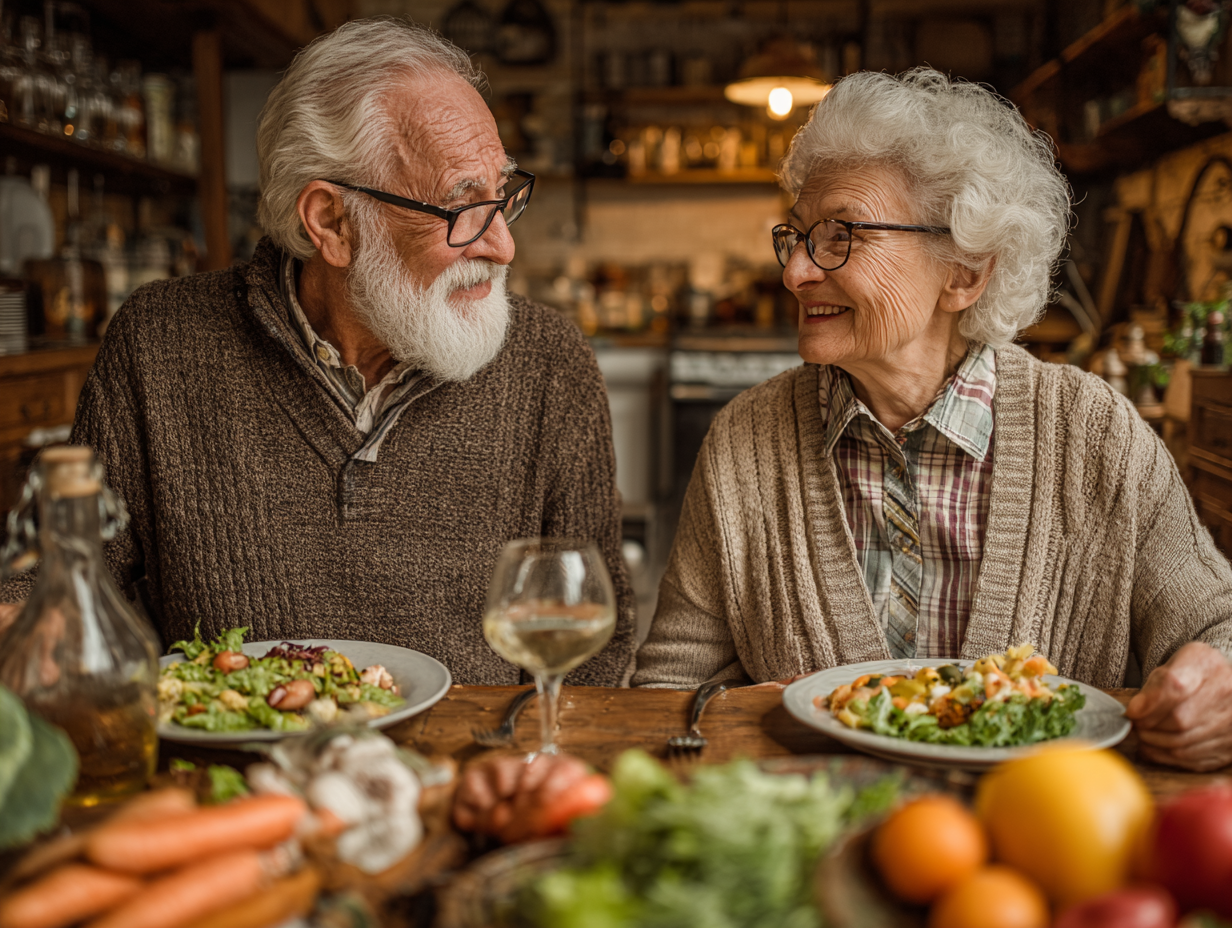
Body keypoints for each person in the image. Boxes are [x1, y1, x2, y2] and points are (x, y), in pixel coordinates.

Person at [0, 19, 635, 686]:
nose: (503, 246)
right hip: (231, 771)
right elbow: (62, 572)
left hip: (474, 773)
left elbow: (597, 635)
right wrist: (20, 611)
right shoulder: (159, 342)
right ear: (330, 222)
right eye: (461, 208)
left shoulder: (550, 360)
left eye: (502, 195)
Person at [632, 68, 1232, 771]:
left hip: (1045, 849)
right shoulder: (746, 442)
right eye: (796, 236)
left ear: (964, 273)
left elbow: (1215, 628)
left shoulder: (1094, 434)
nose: (796, 271)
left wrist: (1214, 690)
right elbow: (667, 695)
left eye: (841, 236)